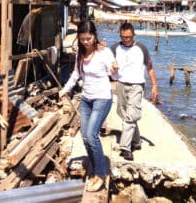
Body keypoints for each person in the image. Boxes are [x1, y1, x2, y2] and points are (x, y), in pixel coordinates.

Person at [58, 20, 118, 192]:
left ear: (95, 36)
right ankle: (95, 167)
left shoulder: (104, 53)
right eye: (83, 39)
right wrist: (65, 89)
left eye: (89, 38)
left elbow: (115, 75)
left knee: (92, 135)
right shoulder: (80, 54)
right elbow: (76, 74)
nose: (86, 42)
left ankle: (101, 173)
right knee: (85, 136)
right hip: (86, 99)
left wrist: (114, 69)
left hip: (102, 98)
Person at [110, 22, 158, 161]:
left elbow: (150, 67)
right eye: (123, 37)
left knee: (130, 117)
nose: (126, 40)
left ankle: (125, 148)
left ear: (134, 35)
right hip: (120, 83)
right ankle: (136, 142)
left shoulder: (141, 48)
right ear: (120, 35)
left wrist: (154, 85)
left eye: (129, 37)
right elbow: (106, 64)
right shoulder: (114, 48)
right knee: (123, 113)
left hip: (137, 85)